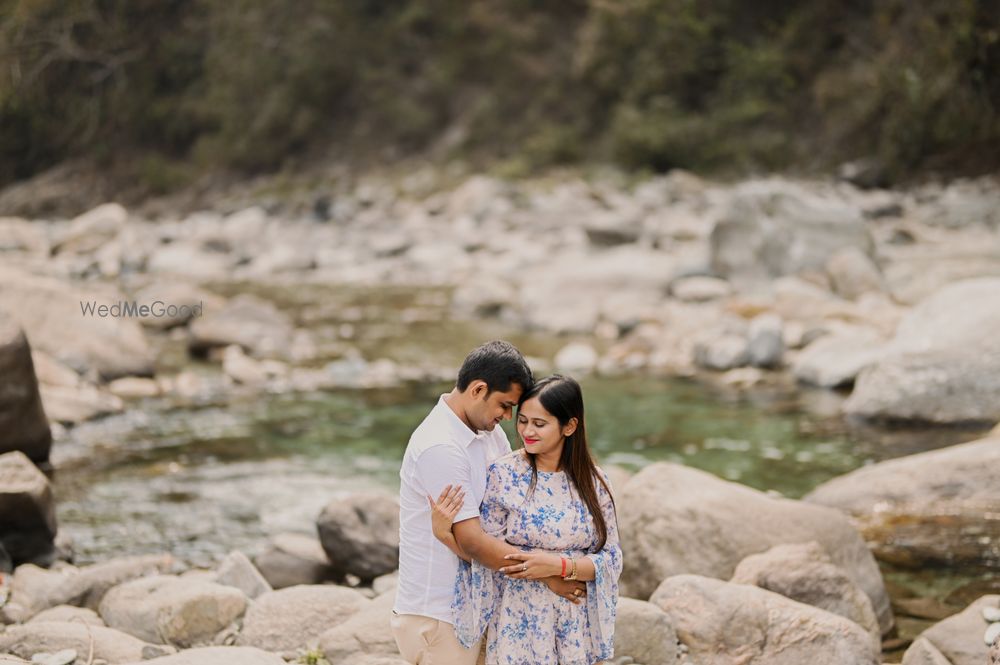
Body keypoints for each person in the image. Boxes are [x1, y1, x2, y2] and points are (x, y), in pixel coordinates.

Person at [392, 341, 585, 665]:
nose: (508, 417)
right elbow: (474, 542)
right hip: (440, 613)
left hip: (477, 602)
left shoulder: (488, 434)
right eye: (505, 405)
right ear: (478, 389)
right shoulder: (441, 447)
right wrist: (548, 575)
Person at [429, 374, 622, 665]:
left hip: (576, 622)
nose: (527, 431)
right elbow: (486, 553)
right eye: (523, 421)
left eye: (539, 424)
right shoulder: (504, 475)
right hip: (519, 620)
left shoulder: (594, 482)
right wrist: (446, 536)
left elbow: (612, 560)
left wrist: (561, 567)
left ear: (569, 426)